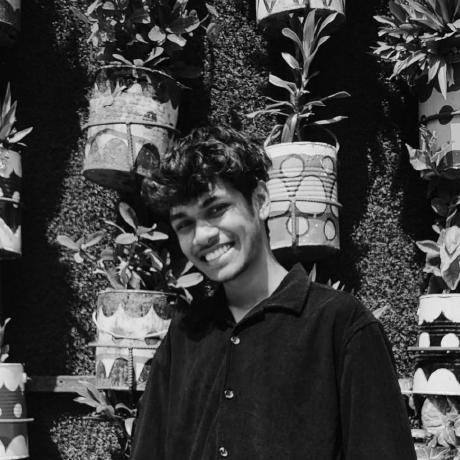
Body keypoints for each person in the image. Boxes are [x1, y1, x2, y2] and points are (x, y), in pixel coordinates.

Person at [130, 126, 416, 460]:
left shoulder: (339, 325)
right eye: (184, 224)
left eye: (216, 209)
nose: (202, 235)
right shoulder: (185, 334)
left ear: (261, 201)